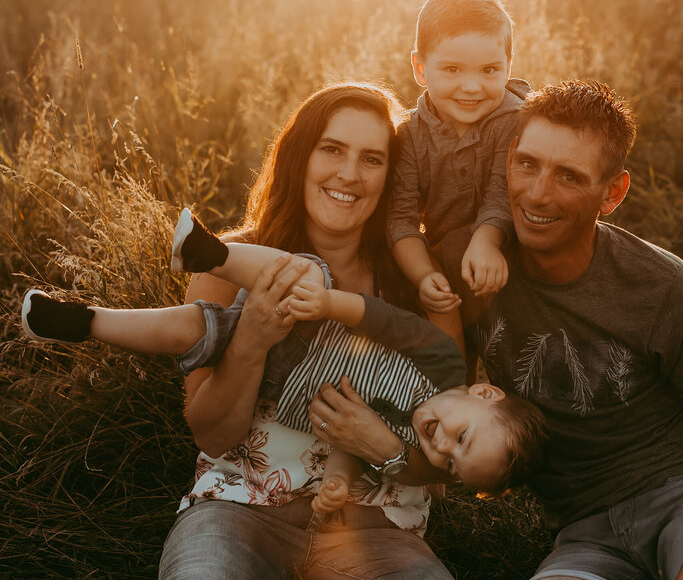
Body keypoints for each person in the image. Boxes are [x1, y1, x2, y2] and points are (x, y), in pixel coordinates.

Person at [317, 79, 683, 580]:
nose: (537, 195)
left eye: (569, 176)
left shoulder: (660, 286)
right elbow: (430, 390)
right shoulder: (471, 268)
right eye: (526, 165)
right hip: (585, 530)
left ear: (613, 192)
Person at [38, 83, 478, 580]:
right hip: (243, 508)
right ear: (301, 157)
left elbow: (442, 454)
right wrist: (252, 341)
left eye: (371, 158)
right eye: (332, 150)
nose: (348, 175)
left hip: (369, 531)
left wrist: (381, 446)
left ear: (392, 177)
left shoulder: (420, 287)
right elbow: (212, 433)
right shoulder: (230, 261)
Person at [22, 210, 545, 507]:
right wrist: (330, 304)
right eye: (462, 436)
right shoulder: (445, 366)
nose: (441, 446)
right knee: (308, 275)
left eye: (451, 463)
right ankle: (212, 254)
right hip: (314, 321)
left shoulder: (407, 443)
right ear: (483, 391)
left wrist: (339, 481)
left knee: (192, 328)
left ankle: (84, 321)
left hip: (273, 375)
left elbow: (346, 441)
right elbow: (388, 322)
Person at [387, 0, 529, 315]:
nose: (471, 86)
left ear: (508, 67)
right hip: (440, 261)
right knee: (447, 338)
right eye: (452, 69)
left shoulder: (516, 119)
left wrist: (487, 240)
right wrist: (424, 275)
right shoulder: (408, 134)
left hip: (512, 254)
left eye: (489, 70)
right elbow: (400, 217)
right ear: (420, 68)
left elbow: (502, 190)